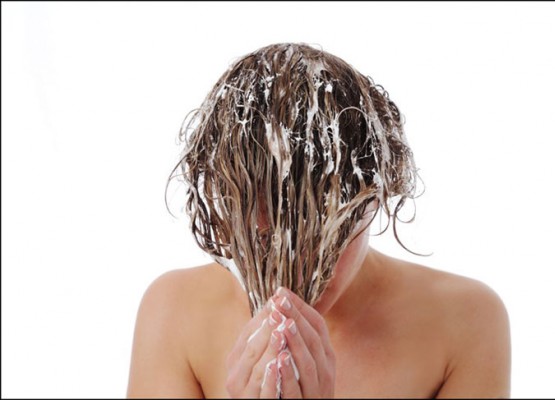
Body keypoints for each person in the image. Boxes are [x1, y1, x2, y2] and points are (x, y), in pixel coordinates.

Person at [127, 43, 511, 398]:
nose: (290, 270)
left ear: (374, 199)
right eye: (264, 239)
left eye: (326, 241)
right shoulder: (174, 311)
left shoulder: (465, 321)